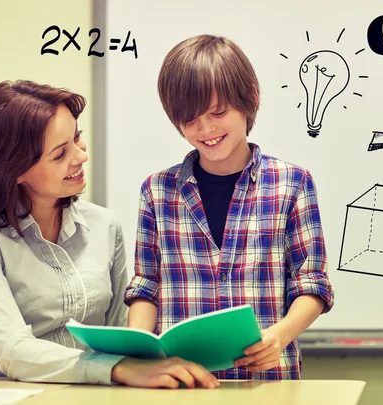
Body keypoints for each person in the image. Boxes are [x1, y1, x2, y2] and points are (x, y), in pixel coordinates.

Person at [0, 80, 219, 389]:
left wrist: (142, 364)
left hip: (85, 395)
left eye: (77, 138)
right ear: (16, 170)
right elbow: (13, 352)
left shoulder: (103, 225)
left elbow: (117, 335)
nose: (81, 157)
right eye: (60, 154)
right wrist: (120, 369)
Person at [124, 35, 335, 380]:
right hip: (181, 383)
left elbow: (311, 283)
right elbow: (147, 285)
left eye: (218, 112)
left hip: (267, 381)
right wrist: (143, 351)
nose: (205, 129)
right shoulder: (157, 191)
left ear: (249, 99)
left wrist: (278, 336)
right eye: (189, 120)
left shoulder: (292, 184)